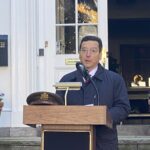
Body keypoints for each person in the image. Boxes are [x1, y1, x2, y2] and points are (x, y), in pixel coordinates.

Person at [56, 35, 131, 150]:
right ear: (79, 54)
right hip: (73, 141)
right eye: (84, 50)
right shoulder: (66, 80)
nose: (88, 54)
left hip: (104, 142)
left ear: (100, 55)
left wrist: (101, 116)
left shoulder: (114, 79)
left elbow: (123, 108)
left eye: (93, 50)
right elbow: (57, 108)